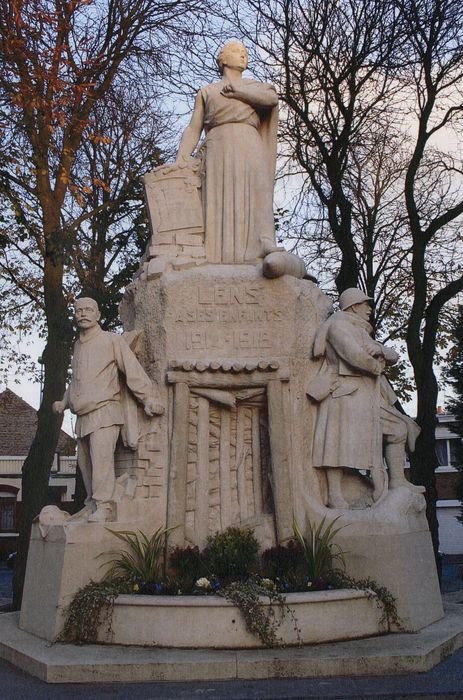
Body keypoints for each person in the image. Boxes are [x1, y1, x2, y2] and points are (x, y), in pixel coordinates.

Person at [307, 288, 422, 509]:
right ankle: (334, 495)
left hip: (365, 393)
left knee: (398, 428)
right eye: (365, 304)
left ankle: (397, 481)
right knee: (336, 443)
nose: (369, 309)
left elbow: (393, 355)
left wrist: (378, 349)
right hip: (344, 392)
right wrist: (376, 364)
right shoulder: (339, 326)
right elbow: (355, 356)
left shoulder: (358, 329)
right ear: (353, 306)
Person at [53, 298, 163, 523]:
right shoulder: (78, 345)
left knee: (101, 460)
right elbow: (77, 381)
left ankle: (104, 507)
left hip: (105, 411)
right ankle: (93, 504)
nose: (83, 314)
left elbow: (132, 371)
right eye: (79, 310)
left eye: (88, 310)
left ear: (98, 314)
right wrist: (63, 402)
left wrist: (149, 399)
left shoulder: (111, 340)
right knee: (86, 465)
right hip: (82, 417)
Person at [176, 40, 279, 263]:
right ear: (222, 59)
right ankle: (215, 256)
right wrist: (181, 158)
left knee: (256, 192)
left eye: (245, 52)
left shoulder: (255, 87)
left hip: (249, 143)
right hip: (218, 146)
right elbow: (194, 128)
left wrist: (240, 92)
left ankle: (261, 245)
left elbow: (271, 99)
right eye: (236, 51)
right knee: (216, 198)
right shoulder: (208, 91)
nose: (243, 55)